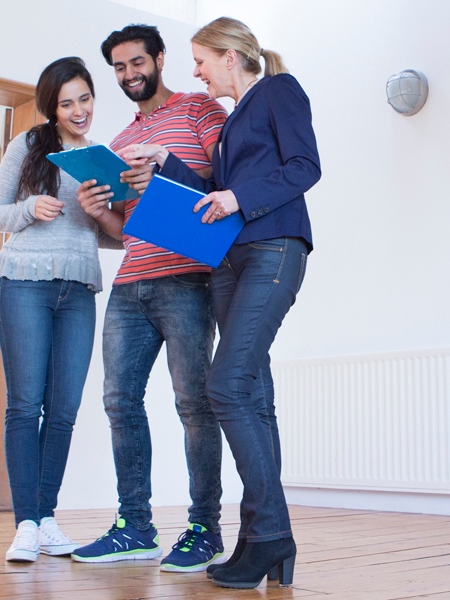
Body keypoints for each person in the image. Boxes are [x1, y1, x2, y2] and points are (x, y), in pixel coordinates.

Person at [121, 16, 320, 589]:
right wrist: (168, 166)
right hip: (232, 261)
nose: (195, 72)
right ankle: (262, 540)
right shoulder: (232, 124)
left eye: (201, 61)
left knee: (225, 386)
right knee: (252, 395)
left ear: (230, 57)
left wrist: (236, 196)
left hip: (273, 250)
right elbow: (216, 196)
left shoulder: (280, 91)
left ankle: (271, 535)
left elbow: (305, 166)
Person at [68, 24, 231, 573]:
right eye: (118, 68)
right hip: (131, 283)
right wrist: (99, 212)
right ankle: (134, 527)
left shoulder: (199, 111)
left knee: (194, 405)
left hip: (188, 279)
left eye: (137, 62)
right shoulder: (116, 144)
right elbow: (126, 230)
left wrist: (163, 170)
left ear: (160, 59)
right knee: (119, 403)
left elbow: (224, 185)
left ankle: (204, 529)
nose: (129, 75)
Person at [0, 56, 123, 563]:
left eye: (84, 98)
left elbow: (115, 238)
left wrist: (99, 212)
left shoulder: (103, 158)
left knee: (63, 411)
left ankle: (46, 518)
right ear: (51, 107)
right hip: (22, 283)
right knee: (26, 405)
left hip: (78, 290)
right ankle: (25, 523)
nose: (78, 110)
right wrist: (29, 210)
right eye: (66, 103)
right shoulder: (28, 145)